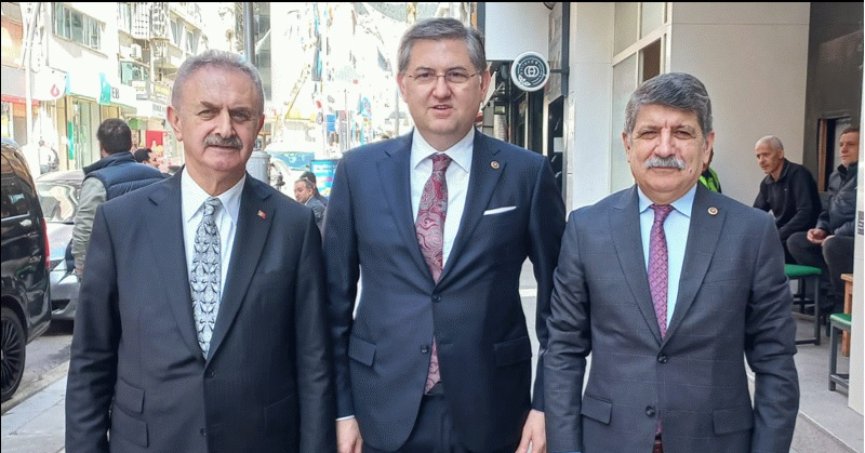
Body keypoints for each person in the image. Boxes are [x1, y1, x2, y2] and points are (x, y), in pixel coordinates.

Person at [66, 50, 335, 452]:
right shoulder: (121, 222)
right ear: (176, 121)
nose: (225, 128)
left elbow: (314, 363)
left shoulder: (293, 226)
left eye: (240, 115)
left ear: (259, 126)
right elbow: (91, 361)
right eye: (208, 112)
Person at [324, 17, 564, 453]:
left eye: (456, 74)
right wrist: (341, 410)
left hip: (494, 408)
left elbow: (559, 305)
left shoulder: (526, 173)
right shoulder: (358, 172)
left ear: (483, 83)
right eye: (424, 75)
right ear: (403, 84)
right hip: (380, 406)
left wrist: (546, 405)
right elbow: (332, 305)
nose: (440, 90)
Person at [544, 72, 799, 453]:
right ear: (627, 144)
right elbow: (563, 350)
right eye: (649, 133)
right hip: (609, 441)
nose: (665, 147)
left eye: (682, 133)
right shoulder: (587, 229)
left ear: (707, 146)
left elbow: (775, 359)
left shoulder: (751, 232)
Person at [70, 119, 165, 277]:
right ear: (130, 145)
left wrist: (83, 270)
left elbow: (85, 231)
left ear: (102, 148)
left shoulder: (97, 182)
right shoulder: (157, 176)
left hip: (115, 273)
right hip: (154, 268)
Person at [787, 126, 859, 314]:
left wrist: (836, 235)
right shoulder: (836, 176)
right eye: (841, 144)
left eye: (851, 144)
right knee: (796, 241)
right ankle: (828, 298)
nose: (843, 149)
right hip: (834, 238)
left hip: (856, 241)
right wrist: (821, 228)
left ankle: (842, 303)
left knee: (833, 245)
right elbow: (827, 211)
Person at [752, 135, 821, 263]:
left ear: (780, 153)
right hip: (782, 236)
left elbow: (805, 213)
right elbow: (756, 214)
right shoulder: (766, 183)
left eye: (766, 154)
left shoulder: (799, 174)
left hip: (805, 236)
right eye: (758, 156)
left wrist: (777, 235)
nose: (761, 161)